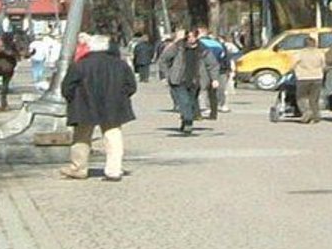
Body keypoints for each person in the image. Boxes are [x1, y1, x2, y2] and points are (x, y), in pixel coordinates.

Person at [59, 34, 137, 182]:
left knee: (81, 137)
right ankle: (113, 170)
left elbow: (67, 87)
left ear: (90, 47)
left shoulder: (80, 64)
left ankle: (78, 168)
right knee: (113, 136)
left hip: (84, 105)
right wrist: (121, 97)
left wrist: (72, 100)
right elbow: (131, 86)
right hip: (113, 105)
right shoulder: (120, 64)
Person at [155, 29, 216, 134]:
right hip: (178, 80)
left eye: (192, 37)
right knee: (184, 101)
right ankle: (188, 122)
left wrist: (214, 79)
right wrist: (166, 75)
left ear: (197, 37)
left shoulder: (203, 49)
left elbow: (212, 64)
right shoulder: (177, 47)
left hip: (195, 80)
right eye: (188, 37)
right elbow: (163, 60)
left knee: (191, 102)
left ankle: (185, 120)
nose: (190, 39)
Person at [292, 37, 329, 125]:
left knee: (301, 97)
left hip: (303, 77)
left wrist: (294, 70)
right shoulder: (320, 53)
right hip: (317, 77)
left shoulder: (299, 53)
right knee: (314, 99)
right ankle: (316, 116)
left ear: (304, 44)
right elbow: (324, 65)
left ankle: (306, 111)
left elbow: (293, 64)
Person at [198, 32, 230, 118]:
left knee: (204, 88)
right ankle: (221, 105)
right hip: (220, 69)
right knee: (220, 88)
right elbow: (225, 57)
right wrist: (227, 68)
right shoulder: (219, 45)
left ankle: (205, 106)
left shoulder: (199, 45)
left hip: (204, 68)